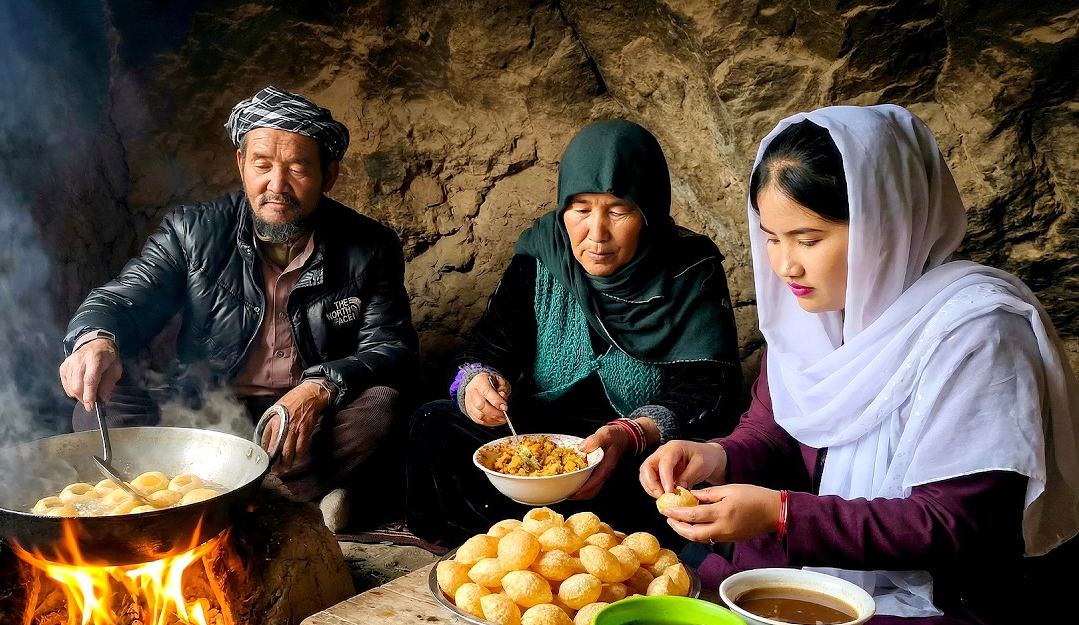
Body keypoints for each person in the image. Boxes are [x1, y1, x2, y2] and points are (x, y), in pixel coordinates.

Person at [640, 105, 1079, 625]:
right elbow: (774, 430)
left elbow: (959, 526)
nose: (785, 265)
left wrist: (780, 515)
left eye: (809, 238)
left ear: (885, 223)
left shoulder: (979, 336)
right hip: (822, 571)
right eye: (771, 238)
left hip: (940, 604)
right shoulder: (813, 317)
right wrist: (716, 455)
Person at [59, 86, 419, 532]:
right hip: (202, 416)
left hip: (303, 426)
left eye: (298, 168)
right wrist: (96, 338)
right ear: (241, 165)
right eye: (262, 165)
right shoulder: (192, 232)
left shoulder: (370, 246)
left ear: (329, 176)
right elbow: (123, 298)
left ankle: (206, 499)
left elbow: (390, 347)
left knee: (383, 408)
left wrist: (321, 387)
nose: (277, 185)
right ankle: (284, 502)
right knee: (100, 398)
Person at [406, 119, 743, 549]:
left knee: (666, 480)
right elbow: (488, 347)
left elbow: (710, 391)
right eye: (581, 209)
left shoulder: (689, 269)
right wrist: (476, 382)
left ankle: (543, 545)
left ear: (649, 213)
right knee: (434, 422)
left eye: (618, 210)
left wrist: (631, 433)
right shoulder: (543, 253)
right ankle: (513, 546)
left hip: (632, 442)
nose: (595, 234)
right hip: (539, 435)